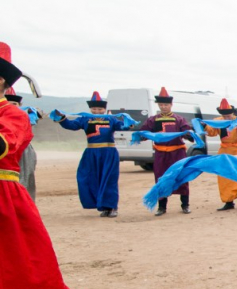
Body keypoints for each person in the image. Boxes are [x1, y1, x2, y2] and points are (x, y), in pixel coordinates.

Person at [1, 41, 89, 289]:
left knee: (21, 266)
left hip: (5, 197)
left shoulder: (11, 113)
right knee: (21, 267)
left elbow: (6, 145)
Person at [54, 91, 128, 218]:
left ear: (104, 109)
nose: (97, 111)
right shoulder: (85, 119)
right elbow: (71, 125)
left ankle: (112, 206)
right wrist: (62, 118)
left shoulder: (111, 119)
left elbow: (123, 127)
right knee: (88, 178)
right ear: (90, 109)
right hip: (91, 153)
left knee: (109, 179)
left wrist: (126, 119)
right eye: (94, 108)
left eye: (100, 109)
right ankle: (102, 206)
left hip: (108, 153)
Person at [140, 87, 192, 216]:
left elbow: (186, 131)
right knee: (160, 178)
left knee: (181, 176)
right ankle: (162, 207)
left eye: (166, 105)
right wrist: (141, 135)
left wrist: (190, 134)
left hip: (177, 153)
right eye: (161, 105)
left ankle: (185, 205)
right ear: (158, 105)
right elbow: (144, 131)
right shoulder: (153, 119)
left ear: (171, 105)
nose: (164, 107)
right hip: (161, 153)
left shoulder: (179, 119)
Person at [206, 99, 237, 211]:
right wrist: (204, 125)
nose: (226, 117)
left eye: (228, 115)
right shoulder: (218, 121)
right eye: (224, 115)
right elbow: (211, 133)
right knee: (224, 175)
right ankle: (228, 201)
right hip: (225, 150)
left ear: (232, 113)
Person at [4, 88, 36, 201]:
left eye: (14, 104)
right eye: (8, 104)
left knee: (25, 176)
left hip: (23, 150)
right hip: (4, 150)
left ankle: (26, 202)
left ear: (20, 104)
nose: (11, 106)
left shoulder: (23, 115)